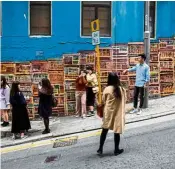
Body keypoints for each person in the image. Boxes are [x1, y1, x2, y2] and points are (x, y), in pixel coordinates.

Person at [97, 72, 126, 156]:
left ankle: (100, 148)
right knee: (117, 131)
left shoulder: (107, 89)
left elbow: (103, 101)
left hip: (109, 112)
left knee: (104, 130)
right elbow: (125, 100)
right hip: (118, 112)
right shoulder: (122, 89)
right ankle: (116, 150)